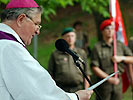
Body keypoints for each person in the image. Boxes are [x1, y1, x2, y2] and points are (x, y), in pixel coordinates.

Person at [0, 0, 93, 100]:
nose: (38, 31)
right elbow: (39, 94)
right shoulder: (10, 48)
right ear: (21, 19)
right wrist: (75, 97)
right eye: (36, 24)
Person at [90, 19, 133, 100]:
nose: (110, 31)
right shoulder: (97, 47)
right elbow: (94, 67)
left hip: (118, 83)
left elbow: (131, 59)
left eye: (112, 28)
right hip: (103, 84)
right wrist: (109, 79)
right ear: (102, 31)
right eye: (107, 29)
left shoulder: (119, 45)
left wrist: (121, 58)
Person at [48, 27, 90, 93]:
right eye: (67, 36)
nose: (70, 38)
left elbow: (86, 73)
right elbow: (50, 74)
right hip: (61, 90)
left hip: (78, 89)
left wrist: (86, 89)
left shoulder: (81, 53)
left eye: (72, 36)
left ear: (75, 38)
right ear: (63, 38)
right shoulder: (55, 54)